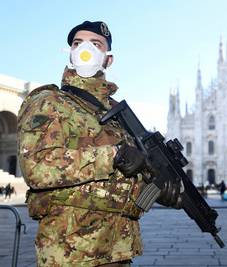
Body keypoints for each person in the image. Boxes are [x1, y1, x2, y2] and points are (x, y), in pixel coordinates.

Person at [17, 21, 181, 267]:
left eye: (96, 44)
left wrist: (157, 189)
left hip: (118, 250)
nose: (85, 50)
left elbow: (127, 176)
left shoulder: (119, 114)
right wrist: (113, 155)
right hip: (70, 251)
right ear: (70, 53)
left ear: (108, 59)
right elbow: (37, 168)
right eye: (77, 43)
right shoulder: (49, 101)